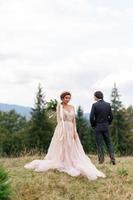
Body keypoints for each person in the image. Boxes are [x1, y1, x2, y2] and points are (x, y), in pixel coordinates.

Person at [24, 91, 106, 180]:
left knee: (72, 146)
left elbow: (74, 120)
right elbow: (59, 119)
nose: (68, 99)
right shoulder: (60, 106)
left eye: (69, 98)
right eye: (66, 98)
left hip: (71, 128)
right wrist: (59, 111)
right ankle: (62, 160)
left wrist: (75, 131)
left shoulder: (72, 107)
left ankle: (70, 160)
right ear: (62, 98)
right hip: (62, 128)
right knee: (62, 145)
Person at [90, 91, 116, 165]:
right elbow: (111, 117)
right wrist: (108, 123)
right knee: (109, 143)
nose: (93, 97)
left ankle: (101, 160)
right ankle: (113, 159)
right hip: (106, 127)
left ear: (96, 97)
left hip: (98, 127)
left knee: (99, 144)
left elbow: (91, 117)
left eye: (94, 96)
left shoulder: (94, 105)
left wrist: (93, 125)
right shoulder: (108, 105)